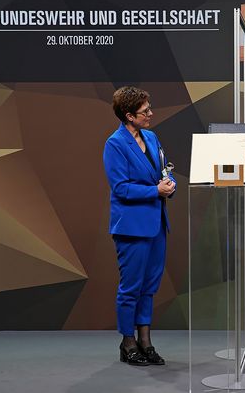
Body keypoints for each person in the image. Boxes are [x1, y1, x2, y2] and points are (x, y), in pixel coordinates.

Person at [103, 86, 176, 366]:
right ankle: (128, 342)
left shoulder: (151, 136)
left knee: (149, 286)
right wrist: (155, 191)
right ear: (128, 115)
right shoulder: (115, 144)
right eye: (145, 112)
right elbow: (120, 188)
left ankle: (145, 340)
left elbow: (164, 170)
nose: (150, 114)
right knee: (131, 287)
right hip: (131, 226)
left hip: (156, 223)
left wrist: (170, 185)